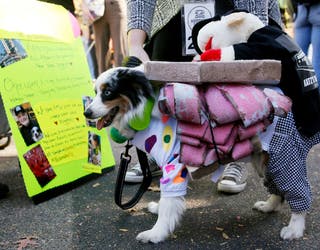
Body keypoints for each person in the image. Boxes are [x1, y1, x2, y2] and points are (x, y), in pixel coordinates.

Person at [125, 0, 283, 194]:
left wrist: (254, 29)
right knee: (168, 91)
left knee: (234, 89)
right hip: (170, 15)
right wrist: (135, 42)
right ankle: (162, 153)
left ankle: (238, 156)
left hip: (231, 12)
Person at [82, 0, 128, 74]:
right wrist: (83, 3)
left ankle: (124, 82)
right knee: (101, 56)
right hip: (95, 7)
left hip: (116, 5)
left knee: (121, 52)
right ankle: (104, 84)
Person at [293, 0, 320, 82]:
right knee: (316, 61)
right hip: (303, 10)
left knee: (297, 60)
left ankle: (299, 92)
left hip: (302, 9)